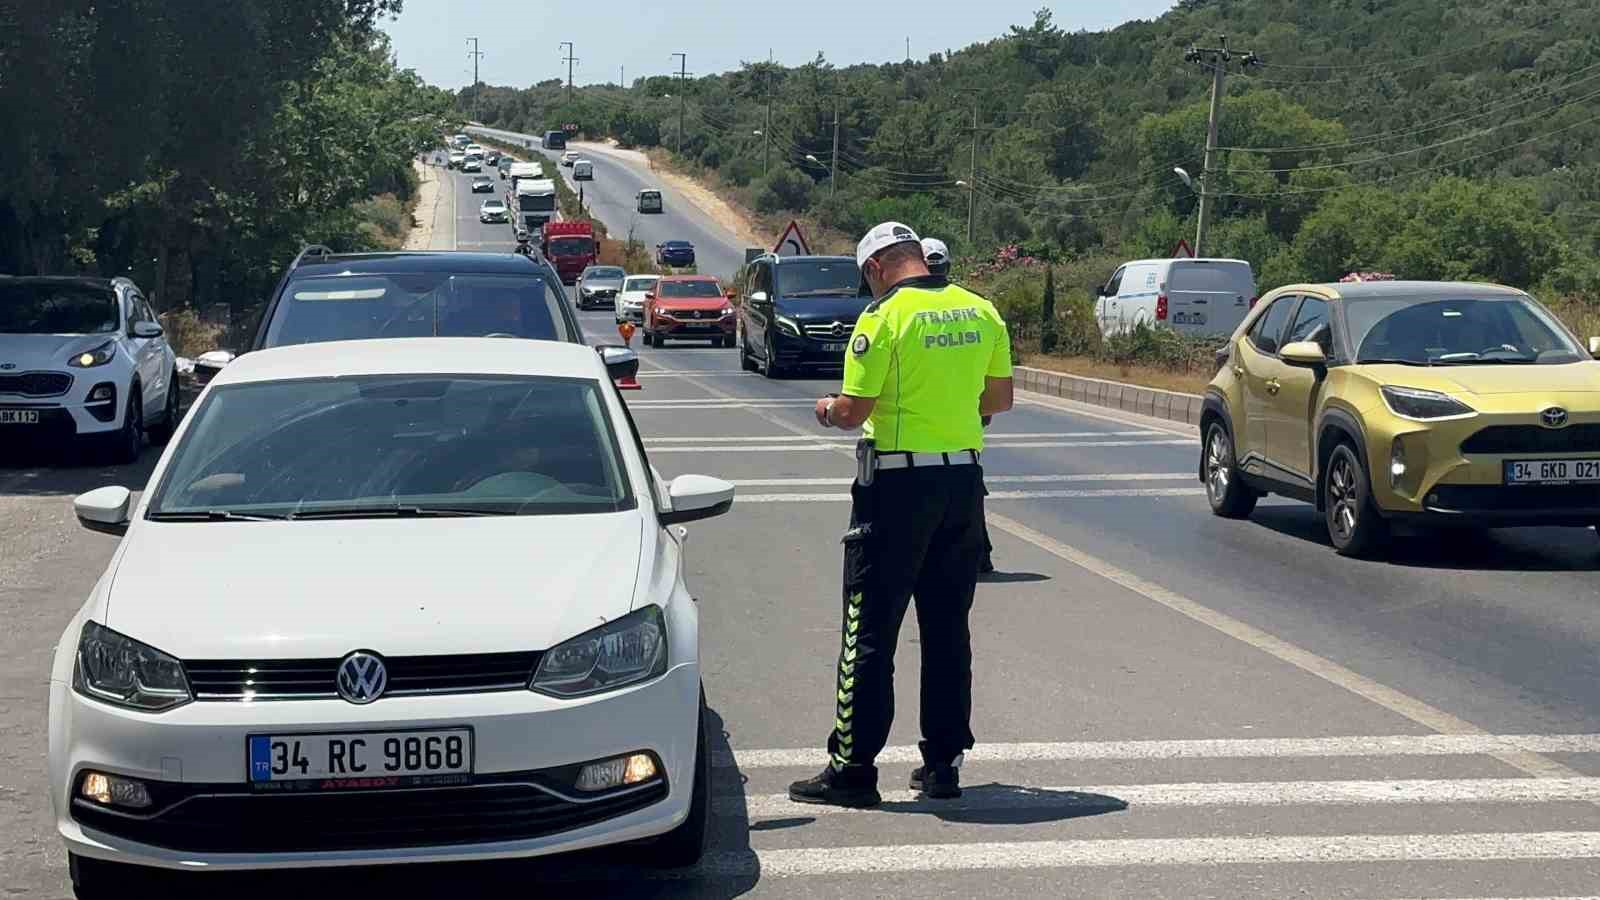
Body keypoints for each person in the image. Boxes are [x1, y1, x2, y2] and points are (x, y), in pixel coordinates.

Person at [789, 221, 1014, 809]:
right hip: (963, 485)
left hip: (894, 487)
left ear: (874, 268)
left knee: (869, 630)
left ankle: (853, 768)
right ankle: (943, 765)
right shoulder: (981, 310)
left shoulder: (882, 319)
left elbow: (852, 409)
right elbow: (998, 401)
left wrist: (826, 410)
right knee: (946, 627)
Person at [921, 237, 995, 573]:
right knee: (968, 488)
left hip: (918, 426)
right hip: (965, 421)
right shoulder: (977, 307)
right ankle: (979, 553)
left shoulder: (903, 308)